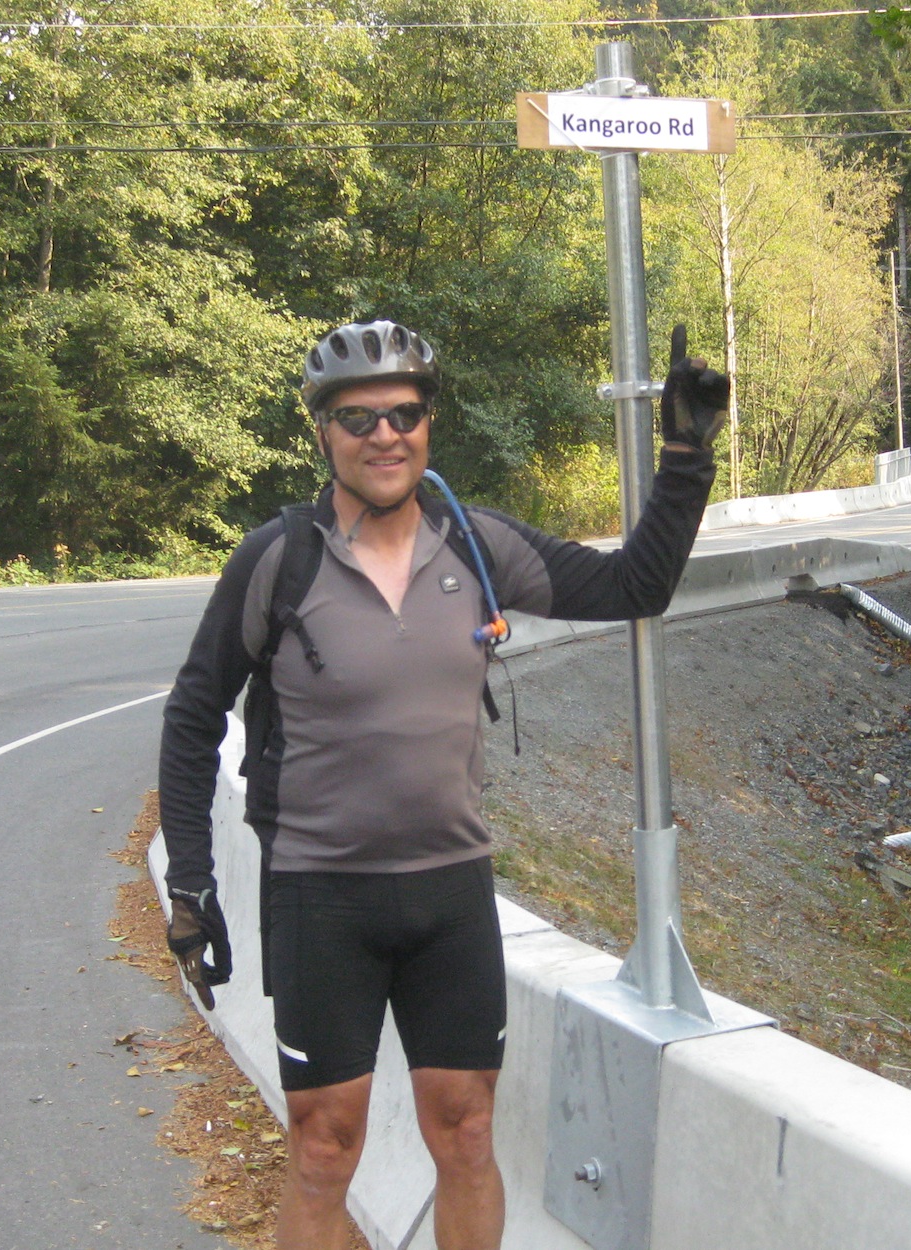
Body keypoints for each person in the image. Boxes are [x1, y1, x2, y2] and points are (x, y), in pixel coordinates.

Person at [157, 318, 728, 1250]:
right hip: (320, 896)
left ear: (429, 423)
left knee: (465, 1134)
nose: (385, 435)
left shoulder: (475, 545)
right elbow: (192, 718)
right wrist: (191, 883)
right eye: (358, 418)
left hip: (451, 893)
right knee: (322, 1150)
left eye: (405, 414)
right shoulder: (277, 561)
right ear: (322, 432)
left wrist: (686, 457)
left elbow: (637, 585)